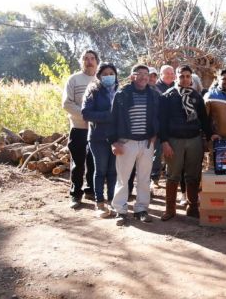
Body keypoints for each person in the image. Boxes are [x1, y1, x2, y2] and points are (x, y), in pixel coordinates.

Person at [109, 64, 160, 226]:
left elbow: (158, 117)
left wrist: (155, 134)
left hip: (146, 143)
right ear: (133, 76)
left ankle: (141, 210)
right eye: (141, 74)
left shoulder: (153, 95)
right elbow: (112, 119)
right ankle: (120, 210)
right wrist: (113, 142)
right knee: (123, 179)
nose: (145, 77)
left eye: (147, 74)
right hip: (126, 142)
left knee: (144, 179)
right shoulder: (122, 94)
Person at [160, 65, 211, 220]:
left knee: (193, 175)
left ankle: (192, 207)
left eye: (188, 76)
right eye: (182, 76)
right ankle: (170, 209)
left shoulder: (196, 96)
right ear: (176, 77)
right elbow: (161, 122)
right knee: (173, 175)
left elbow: (204, 119)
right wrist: (164, 142)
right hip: (174, 141)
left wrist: (210, 135)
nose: (185, 79)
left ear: (191, 78)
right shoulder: (168, 96)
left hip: (194, 140)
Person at [81, 63, 118, 218]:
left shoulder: (120, 91)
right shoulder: (93, 90)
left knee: (113, 171)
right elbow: (86, 113)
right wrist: (107, 115)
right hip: (98, 137)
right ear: (99, 75)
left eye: (111, 73)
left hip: (116, 138)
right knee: (100, 170)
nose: (108, 76)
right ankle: (100, 203)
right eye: (105, 74)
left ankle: (112, 201)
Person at [62, 50, 98, 209]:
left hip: (97, 130)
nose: (89, 61)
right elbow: (67, 104)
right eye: (85, 59)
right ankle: (76, 194)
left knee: (94, 163)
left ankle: (91, 190)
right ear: (81, 61)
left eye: (92, 59)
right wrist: (86, 115)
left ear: (97, 61)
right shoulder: (74, 79)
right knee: (78, 163)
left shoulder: (101, 80)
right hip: (78, 129)